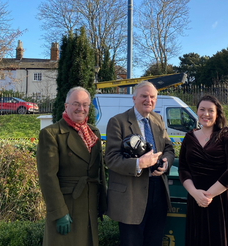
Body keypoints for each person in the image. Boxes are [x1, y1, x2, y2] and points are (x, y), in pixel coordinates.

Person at [178, 95, 228, 246]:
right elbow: (183, 168)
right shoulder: (189, 137)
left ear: (218, 114)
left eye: (210, 110)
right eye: (202, 109)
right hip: (197, 201)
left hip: (225, 200)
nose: (205, 114)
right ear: (197, 112)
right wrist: (195, 194)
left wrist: (208, 195)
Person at [105, 81, 175, 246]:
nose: (148, 100)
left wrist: (166, 163)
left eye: (152, 97)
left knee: (154, 241)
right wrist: (139, 164)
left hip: (158, 191)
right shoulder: (118, 122)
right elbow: (111, 158)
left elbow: (169, 149)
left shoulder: (158, 119)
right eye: (144, 96)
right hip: (131, 195)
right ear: (134, 98)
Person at [37, 86, 107, 246]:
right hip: (66, 208)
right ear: (66, 106)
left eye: (85, 104)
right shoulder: (51, 134)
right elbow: (47, 177)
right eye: (76, 104)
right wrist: (59, 212)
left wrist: (102, 203)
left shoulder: (93, 132)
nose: (80, 108)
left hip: (89, 207)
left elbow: (99, 171)